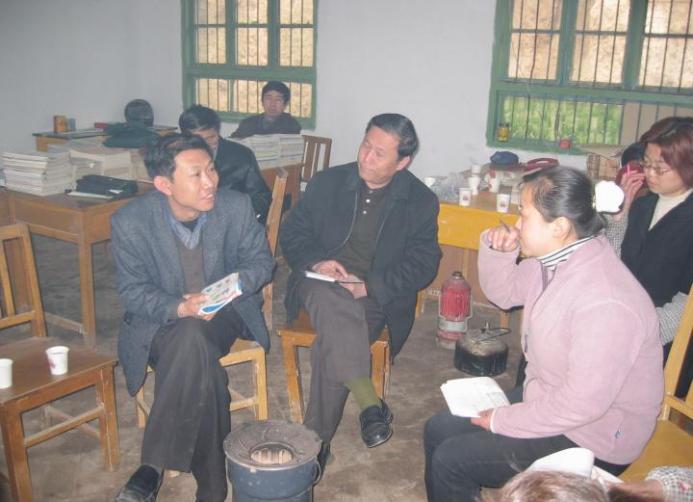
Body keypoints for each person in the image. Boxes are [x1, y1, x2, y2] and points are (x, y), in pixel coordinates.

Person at [424, 167, 663, 502]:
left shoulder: (607, 301)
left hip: (594, 434)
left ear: (559, 227)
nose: (516, 224)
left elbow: (581, 405)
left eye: (524, 215)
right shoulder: (556, 260)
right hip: (550, 399)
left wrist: (503, 419)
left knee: (452, 461)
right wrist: (499, 252)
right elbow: (504, 294)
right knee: (438, 429)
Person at [111, 134, 274, 502]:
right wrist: (181, 307)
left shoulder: (235, 206)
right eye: (196, 174)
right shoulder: (130, 221)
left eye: (211, 169)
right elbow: (132, 292)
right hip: (161, 321)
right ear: (164, 184)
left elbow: (261, 264)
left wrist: (222, 292)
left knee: (194, 336)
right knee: (199, 356)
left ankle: (151, 466)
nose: (210, 182)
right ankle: (213, 487)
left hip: (224, 314)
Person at [279, 113, 441, 459]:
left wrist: (369, 286)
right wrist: (317, 262)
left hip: (372, 295)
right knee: (329, 301)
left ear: (402, 162)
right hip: (318, 283)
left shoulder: (419, 200)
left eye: (379, 153)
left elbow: (424, 264)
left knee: (334, 342)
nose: (366, 157)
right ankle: (369, 402)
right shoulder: (327, 182)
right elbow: (292, 234)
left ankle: (315, 443)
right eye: (366, 145)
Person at [606, 117, 693, 394]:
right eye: (646, 163)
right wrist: (620, 217)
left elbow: (685, 306)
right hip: (625, 315)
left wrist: (637, 333)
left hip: (665, 336)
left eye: (660, 168)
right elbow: (610, 265)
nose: (649, 174)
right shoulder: (643, 204)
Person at [179, 104, 272, 224]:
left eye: (211, 137)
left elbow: (261, 198)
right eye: (198, 140)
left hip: (231, 221)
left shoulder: (241, 156)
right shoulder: (177, 158)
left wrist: (237, 217)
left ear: (217, 132)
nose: (205, 145)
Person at [230, 81, 301, 139]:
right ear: (262, 101)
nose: (272, 104)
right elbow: (233, 142)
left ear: (285, 104)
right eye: (268, 98)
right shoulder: (248, 123)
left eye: (278, 100)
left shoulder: (291, 125)